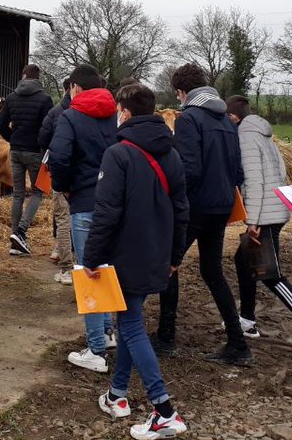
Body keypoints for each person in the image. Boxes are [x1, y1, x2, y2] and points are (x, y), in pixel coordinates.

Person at [83, 84, 190, 439]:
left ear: (125, 112)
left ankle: (164, 410)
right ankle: (117, 395)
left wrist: (91, 258)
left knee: (129, 326)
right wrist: (175, 255)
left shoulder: (118, 154)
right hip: (156, 254)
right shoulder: (171, 153)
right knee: (131, 321)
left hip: (124, 256)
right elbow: (181, 210)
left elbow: (106, 212)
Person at [153, 63, 248, 365]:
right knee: (212, 271)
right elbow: (238, 171)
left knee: (170, 264)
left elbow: (188, 169)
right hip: (221, 206)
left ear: (182, 92)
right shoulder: (227, 121)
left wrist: (170, 194)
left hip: (195, 207)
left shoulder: (189, 119)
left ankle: (166, 336)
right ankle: (237, 342)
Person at [227, 95, 292, 360]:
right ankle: (246, 319)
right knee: (243, 260)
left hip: (265, 214)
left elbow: (255, 180)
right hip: (275, 208)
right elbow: (281, 170)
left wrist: (254, 220)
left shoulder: (245, 138)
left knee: (270, 274)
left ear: (234, 118)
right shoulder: (264, 134)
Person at [48, 65, 118, 371]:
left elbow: (60, 156)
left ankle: (96, 350)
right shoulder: (116, 115)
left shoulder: (71, 116)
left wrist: (63, 187)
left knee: (88, 272)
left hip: (85, 201)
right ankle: (106, 331)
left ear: (74, 88)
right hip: (113, 203)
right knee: (105, 268)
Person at [0, 63, 53, 256]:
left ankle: (15, 240)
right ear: (38, 79)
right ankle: (21, 231)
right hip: (35, 151)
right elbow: (49, 127)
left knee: (18, 194)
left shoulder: (12, 98)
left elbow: (0, 123)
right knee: (37, 193)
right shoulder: (45, 100)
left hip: (16, 150)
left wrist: (11, 138)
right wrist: (43, 145)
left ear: (23, 76)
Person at [40, 78, 76, 284]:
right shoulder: (101, 114)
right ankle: (82, 263)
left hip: (60, 172)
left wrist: (49, 159)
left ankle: (65, 264)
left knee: (63, 217)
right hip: (87, 175)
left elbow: (43, 138)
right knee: (82, 218)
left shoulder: (56, 112)